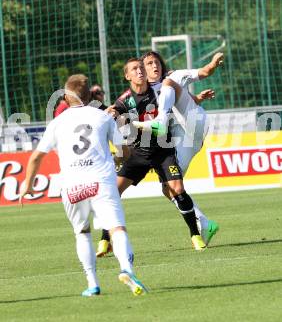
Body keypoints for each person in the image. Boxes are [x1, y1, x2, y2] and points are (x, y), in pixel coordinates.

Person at [20, 74, 147, 297]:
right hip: (101, 181)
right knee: (117, 228)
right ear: (89, 95)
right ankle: (127, 269)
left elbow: (35, 158)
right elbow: (123, 151)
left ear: (65, 99)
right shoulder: (102, 116)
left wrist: (27, 186)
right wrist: (119, 157)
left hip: (72, 185)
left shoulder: (57, 122)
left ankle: (92, 283)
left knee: (83, 232)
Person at [96, 58, 206, 257]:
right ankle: (105, 238)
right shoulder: (124, 100)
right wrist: (109, 114)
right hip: (138, 153)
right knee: (113, 192)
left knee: (178, 189)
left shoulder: (161, 92)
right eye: (134, 69)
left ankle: (195, 235)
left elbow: (182, 101)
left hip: (163, 151)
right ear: (127, 76)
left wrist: (196, 98)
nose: (139, 71)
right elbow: (111, 115)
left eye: (141, 68)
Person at [134, 51, 224, 239]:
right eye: (149, 63)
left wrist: (213, 62)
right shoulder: (142, 94)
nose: (154, 66)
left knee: (169, 84)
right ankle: (205, 223)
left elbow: (205, 72)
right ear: (143, 69)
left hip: (195, 121)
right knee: (169, 187)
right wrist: (198, 97)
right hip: (185, 139)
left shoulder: (173, 77)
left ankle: (160, 120)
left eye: (156, 62)